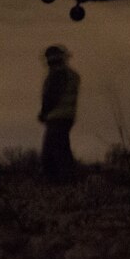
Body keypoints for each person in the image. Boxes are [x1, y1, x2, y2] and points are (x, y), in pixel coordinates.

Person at [38, 44, 80, 182]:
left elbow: (52, 96)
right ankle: (65, 181)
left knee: (52, 153)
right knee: (61, 148)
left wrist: (43, 113)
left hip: (56, 117)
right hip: (67, 116)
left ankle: (60, 183)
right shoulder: (72, 75)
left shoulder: (57, 75)